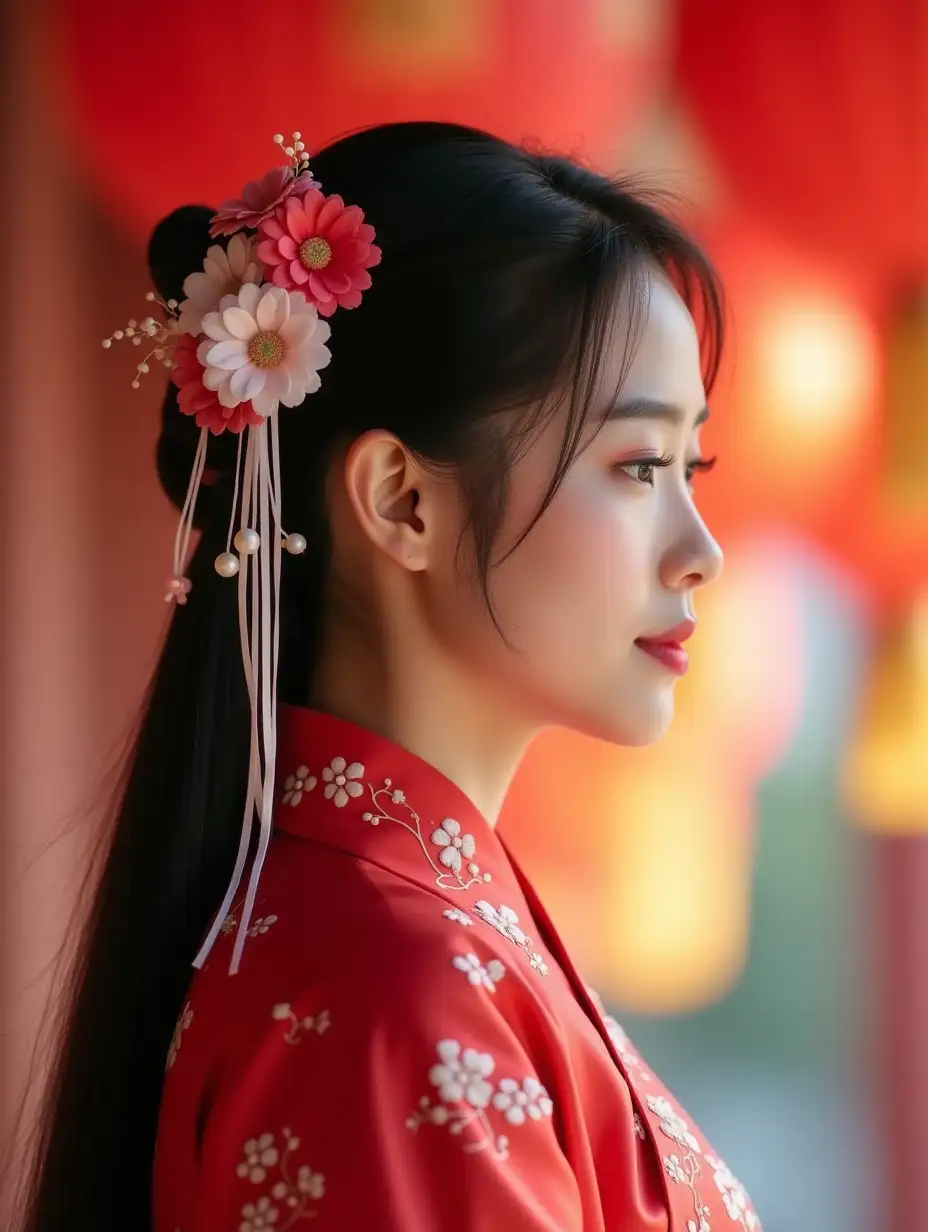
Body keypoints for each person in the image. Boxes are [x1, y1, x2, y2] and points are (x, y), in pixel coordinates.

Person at [15, 121, 762, 1230]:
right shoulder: (397, 995)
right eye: (639, 464)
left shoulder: (403, 942)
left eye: (689, 466)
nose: (699, 544)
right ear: (401, 500)